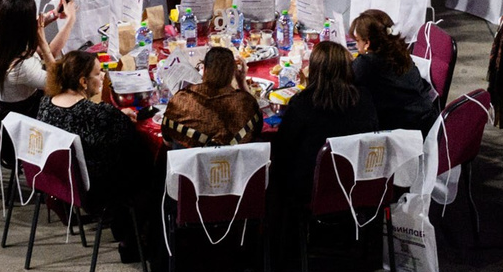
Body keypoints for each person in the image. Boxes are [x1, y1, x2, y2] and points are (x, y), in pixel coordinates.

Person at [39, 52, 166, 272]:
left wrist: (115, 116)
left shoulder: (45, 104)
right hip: (94, 191)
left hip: (62, 181)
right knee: (150, 169)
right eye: (98, 73)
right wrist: (118, 116)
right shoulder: (97, 114)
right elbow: (132, 142)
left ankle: (124, 227)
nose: (103, 76)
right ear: (83, 81)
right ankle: (137, 238)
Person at [268, 41, 379, 231]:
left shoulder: (302, 105)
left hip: (309, 190)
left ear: (314, 70)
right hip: (356, 186)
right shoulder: (364, 99)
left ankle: (276, 234)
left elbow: (282, 153)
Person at [161, 45, 263, 149]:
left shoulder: (181, 100)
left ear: (204, 69)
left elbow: (167, 141)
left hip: (190, 164)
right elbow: (257, 129)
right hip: (231, 164)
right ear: (233, 73)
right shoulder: (246, 104)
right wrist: (242, 82)